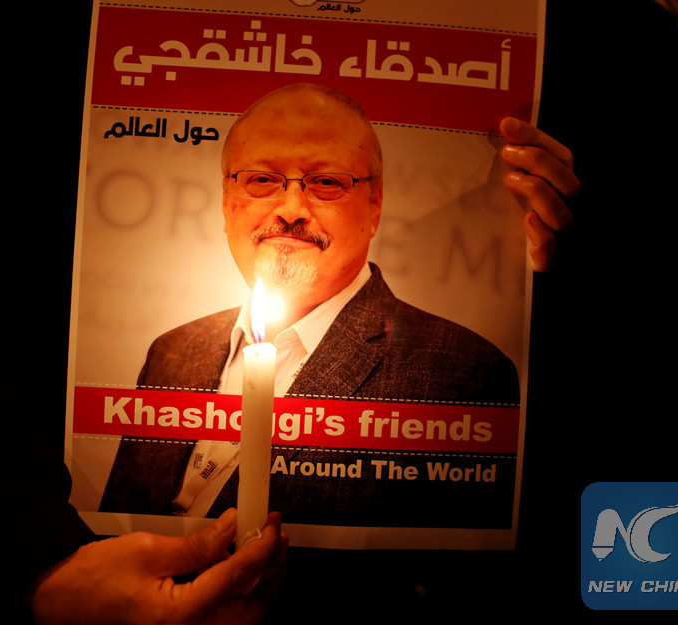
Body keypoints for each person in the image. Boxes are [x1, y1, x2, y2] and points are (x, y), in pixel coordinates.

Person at [99, 83, 580, 524]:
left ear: (375, 205)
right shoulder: (170, 352)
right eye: (262, 179)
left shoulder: (464, 375)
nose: (291, 209)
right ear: (226, 201)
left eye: (327, 182)